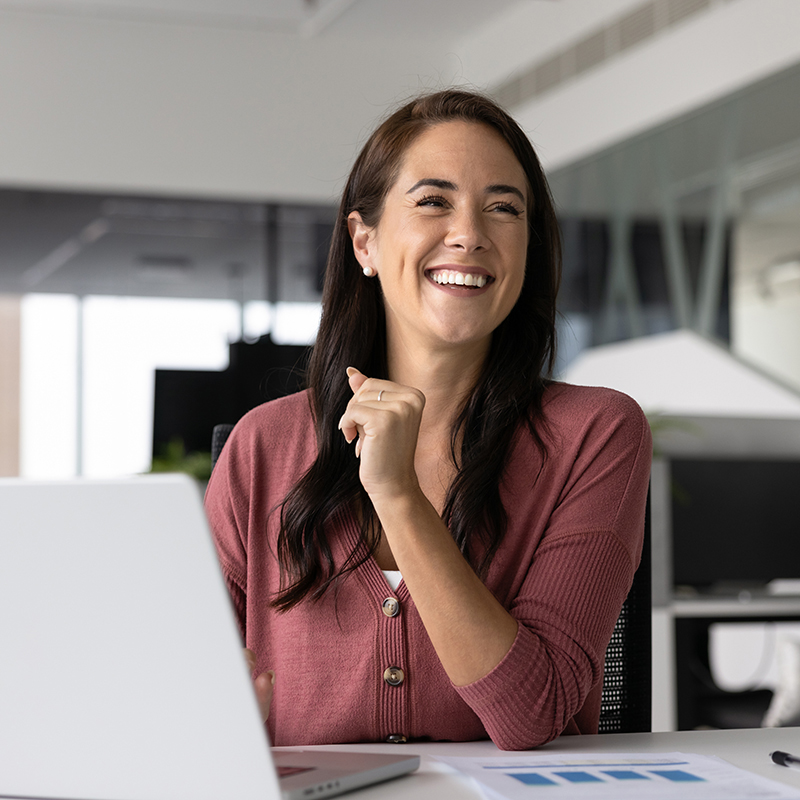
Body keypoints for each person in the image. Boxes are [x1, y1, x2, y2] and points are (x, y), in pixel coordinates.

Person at [205, 89, 652, 751]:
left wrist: (399, 497)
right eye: (433, 201)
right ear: (365, 241)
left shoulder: (596, 433)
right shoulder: (263, 445)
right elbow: (180, 684)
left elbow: (533, 713)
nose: (471, 233)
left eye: (503, 208)